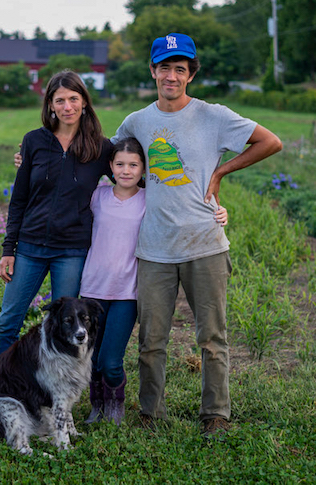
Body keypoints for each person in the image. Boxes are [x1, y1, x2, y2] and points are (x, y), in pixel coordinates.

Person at [112, 32, 282, 437]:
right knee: (152, 339)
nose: (171, 76)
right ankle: (152, 413)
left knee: (212, 337)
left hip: (205, 244)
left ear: (190, 75)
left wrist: (221, 171)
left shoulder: (214, 116)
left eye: (180, 69)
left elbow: (270, 142)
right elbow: (114, 161)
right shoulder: (136, 122)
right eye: (165, 68)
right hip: (154, 248)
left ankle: (215, 415)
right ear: (153, 71)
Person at [79, 137, 228, 426]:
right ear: (109, 166)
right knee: (93, 361)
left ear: (145, 169)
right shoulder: (97, 196)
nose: (125, 170)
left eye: (133, 165)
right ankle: (96, 407)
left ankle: (116, 406)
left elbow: (186, 207)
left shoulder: (150, 200)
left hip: (126, 292)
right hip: (91, 289)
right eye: (119, 164)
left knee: (111, 361)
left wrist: (217, 211)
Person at [0, 70, 113, 358]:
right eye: (60, 100)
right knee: (8, 323)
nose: (67, 107)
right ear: (50, 105)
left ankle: (55, 396)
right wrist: (9, 248)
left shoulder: (101, 147)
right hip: (30, 249)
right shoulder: (34, 142)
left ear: (85, 102)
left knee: (64, 328)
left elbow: (131, 177)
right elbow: (19, 199)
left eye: (74, 99)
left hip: (71, 252)